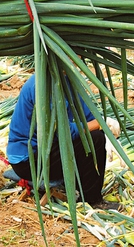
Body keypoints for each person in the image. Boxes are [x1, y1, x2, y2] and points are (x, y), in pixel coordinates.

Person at [6, 73, 120, 210]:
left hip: (48, 149)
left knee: (95, 136)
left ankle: (80, 188)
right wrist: (101, 124)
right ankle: (92, 200)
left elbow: (87, 116)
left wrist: (106, 130)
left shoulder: (66, 78)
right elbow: (63, 131)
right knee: (95, 139)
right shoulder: (43, 85)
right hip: (29, 161)